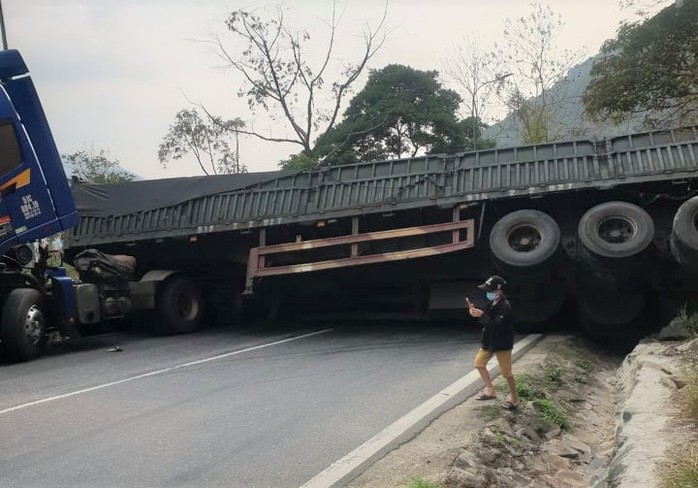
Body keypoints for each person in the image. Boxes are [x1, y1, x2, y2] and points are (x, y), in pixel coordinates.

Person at [467, 275, 519, 410]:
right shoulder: (490, 303)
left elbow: (495, 324)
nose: (488, 293)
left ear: (499, 291)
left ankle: (514, 398)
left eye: (490, 290)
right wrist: (477, 313)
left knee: (507, 374)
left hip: (502, 343)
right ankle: (490, 390)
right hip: (489, 341)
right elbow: (486, 318)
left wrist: (481, 315)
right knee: (479, 363)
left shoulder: (505, 306)